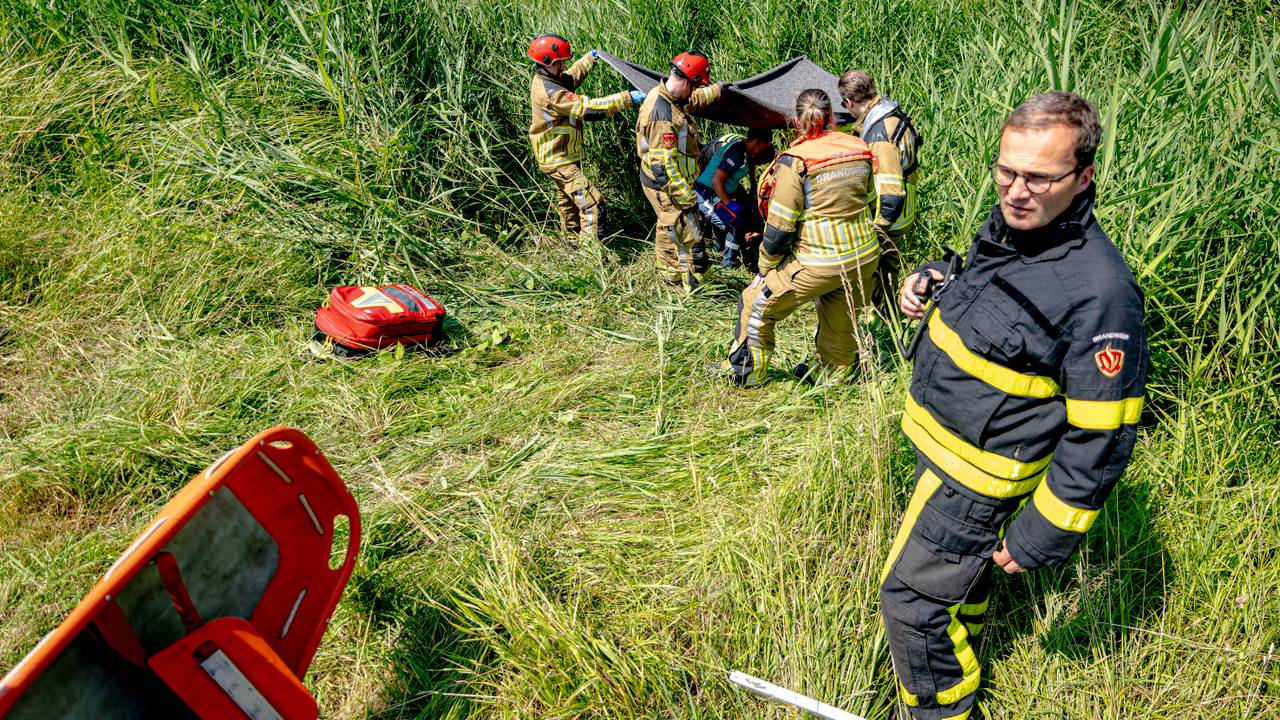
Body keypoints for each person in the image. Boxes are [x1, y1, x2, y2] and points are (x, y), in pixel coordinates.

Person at [880, 92, 1148, 720]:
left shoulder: (1101, 293)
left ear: (1083, 178)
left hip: (979, 479)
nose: (1015, 190)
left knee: (910, 605)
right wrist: (932, 280)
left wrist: (1043, 532)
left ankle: (940, 712)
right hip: (943, 450)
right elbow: (975, 276)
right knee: (950, 596)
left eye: (1038, 177)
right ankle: (965, 632)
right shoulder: (1014, 225)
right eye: (1005, 170)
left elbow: (1103, 435)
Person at [720, 89, 880, 386]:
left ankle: (746, 373)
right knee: (841, 319)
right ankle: (836, 375)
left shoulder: (796, 160)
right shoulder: (860, 147)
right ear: (832, 116)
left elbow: (780, 226)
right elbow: (872, 200)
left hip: (817, 260)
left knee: (754, 304)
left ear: (796, 121)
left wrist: (764, 269)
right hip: (863, 256)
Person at [528, 34, 644, 243]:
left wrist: (590, 59)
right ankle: (591, 253)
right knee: (592, 203)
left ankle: (570, 240)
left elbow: (570, 78)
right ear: (545, 63)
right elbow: (590, 109)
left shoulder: (549, 79)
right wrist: (628, 98)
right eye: (559, 62)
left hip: (559, 155)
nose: (564, 66)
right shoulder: (552, 93)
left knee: (569, 201)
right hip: (558, 159)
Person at [635, 51, 723, 291]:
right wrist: (685, 196)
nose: (694, 93)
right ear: (687, 81)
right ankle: (673, 282)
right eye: (695, 87)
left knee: (674, 227)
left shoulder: (669, 96)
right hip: (665, 185)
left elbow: (689, 102)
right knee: (676, 230)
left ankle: (683, 275)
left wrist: (718, 91)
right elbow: (663, 167)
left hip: (672, 181)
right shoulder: (662, 115)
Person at [837, 70, 922, 239]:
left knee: (885, 265)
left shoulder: (880, 136)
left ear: (849, 101)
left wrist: (876, 231)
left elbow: (891, 193)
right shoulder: (890, 112)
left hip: (890, 223)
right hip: (901, 213)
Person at [693, 128, 775, 271]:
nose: (763, 150)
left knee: (735, 218)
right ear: (757, 142)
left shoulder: (747, 150)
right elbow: (717, 180)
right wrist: (729, 204)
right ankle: (728, 266)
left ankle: (719, 252)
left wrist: (753, 184)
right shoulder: (736, 151)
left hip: (718, 193)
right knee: (734, 224)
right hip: (707, 193)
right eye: (765, 146)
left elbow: (751, 164)